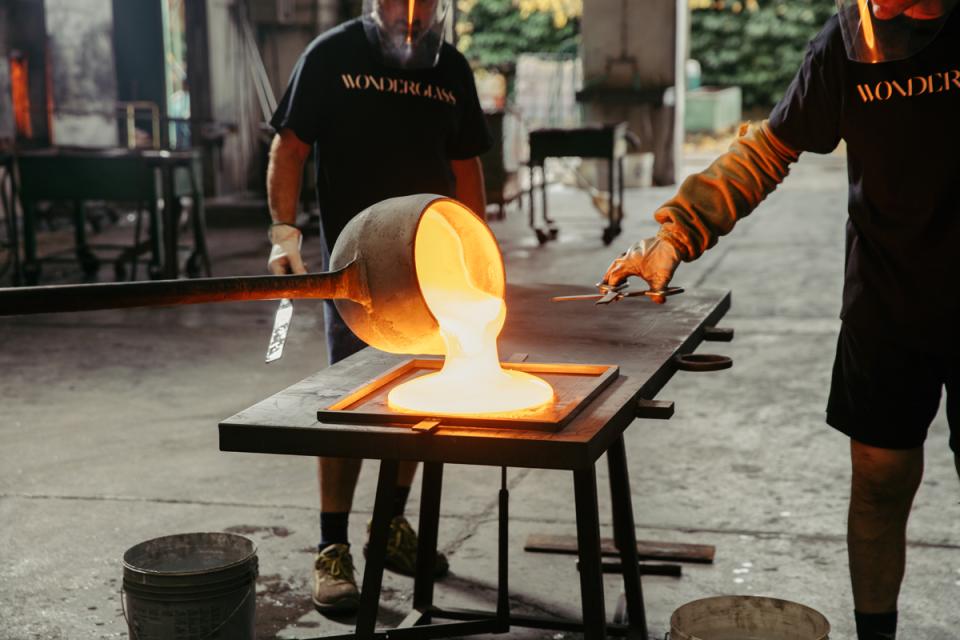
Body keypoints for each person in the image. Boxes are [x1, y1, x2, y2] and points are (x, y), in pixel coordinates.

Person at [601, 2, 958, 639]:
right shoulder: (850, 41)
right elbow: (771, 148)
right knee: (879, 479)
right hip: (888, 296)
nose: (902, 9)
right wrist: (676, 236)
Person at [265, 0, 491, 614]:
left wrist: (478, 253)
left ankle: (387, 528)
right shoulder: (332, 55)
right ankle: (331, 545)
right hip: (356, 273)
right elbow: (290, 147)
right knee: (350, 406)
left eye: (424, 3)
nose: (411, 13)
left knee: (421, 406)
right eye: (398, 1)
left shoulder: (452, 71)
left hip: (435, 275)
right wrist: (285, 235)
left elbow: (466, 165)